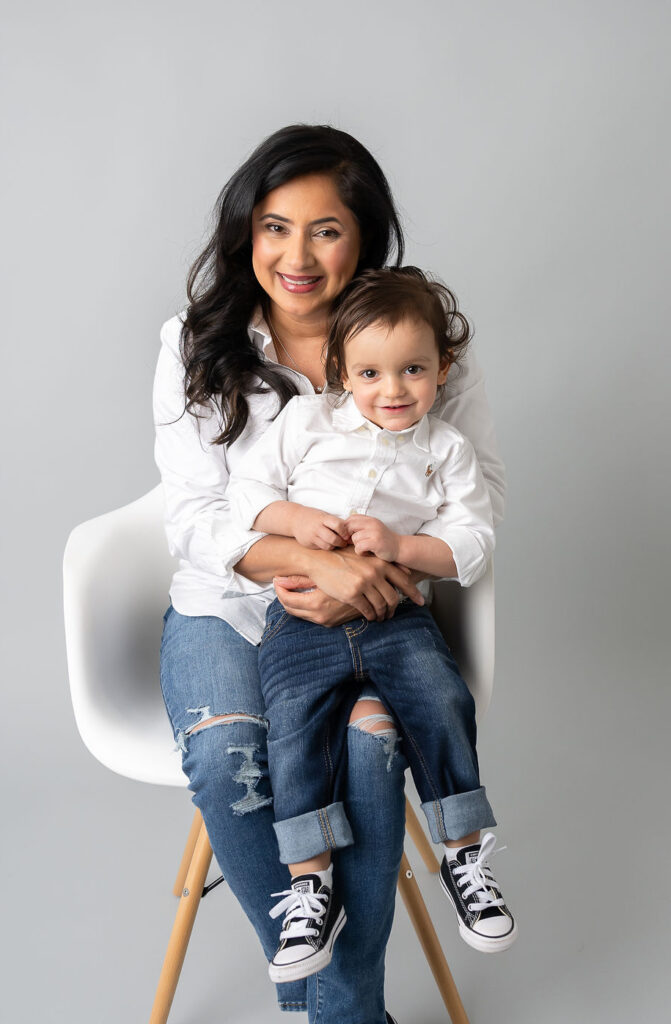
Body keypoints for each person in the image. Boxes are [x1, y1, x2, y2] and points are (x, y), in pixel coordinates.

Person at [154, 124, 506, 1024]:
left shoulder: (416, 343)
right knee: (230, 752)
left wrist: (385, 569)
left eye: (325, 229)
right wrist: (314, 562)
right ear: (245, 234)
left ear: (366, 236)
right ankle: (339, 1002)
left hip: (381, 612)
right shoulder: (196, 344)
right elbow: (197, 522)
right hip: (228, 609)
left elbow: (473, 497)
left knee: (369, 743)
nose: (295, 255)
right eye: (274, 227)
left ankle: (334, 1007)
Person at [226, 267, 516, 982]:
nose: (392, 390)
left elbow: (473, 541)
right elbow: (248, 492)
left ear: (441, 369)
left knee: (440, 702)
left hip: (394, 615)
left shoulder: (444, 450)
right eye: (370, 372)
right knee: (292, 727)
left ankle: (461, 854)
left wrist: (403, 548)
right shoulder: (307, 423)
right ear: (340, 373)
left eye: (412, 370)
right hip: (302, 621)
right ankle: (309, 884)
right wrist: (297, 524)